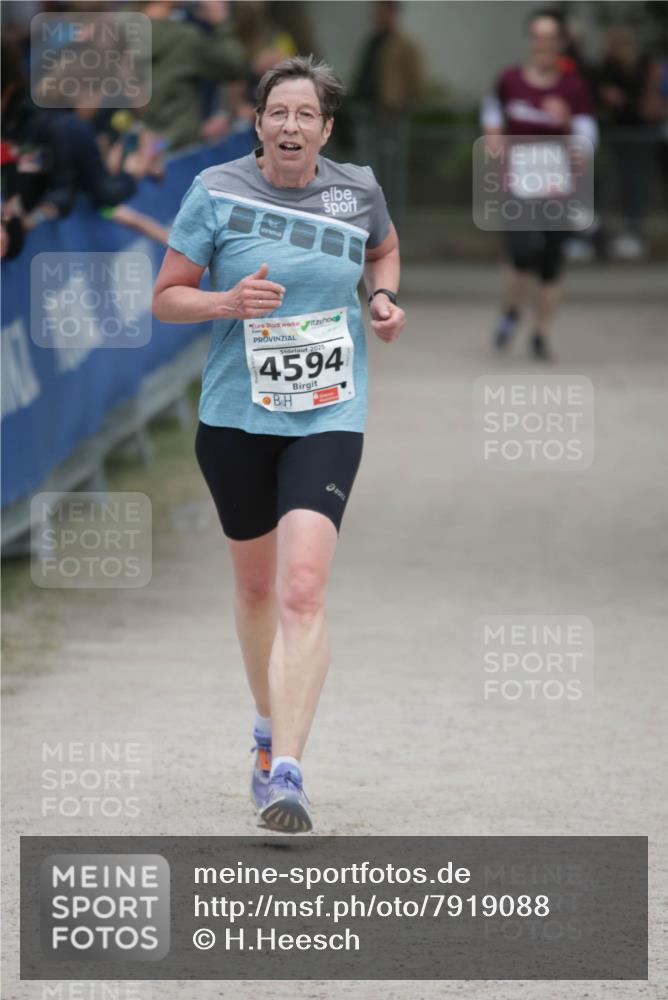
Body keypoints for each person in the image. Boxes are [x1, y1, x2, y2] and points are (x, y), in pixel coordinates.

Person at [152, 55, 405, 833]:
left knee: (302, 587)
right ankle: (266, 732)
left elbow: (381, 251)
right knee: (258, 590)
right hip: (235, 418)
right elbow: (165, 298)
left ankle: (288, 769)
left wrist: (385, 298)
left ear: (325, 129)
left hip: (328, 417)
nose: (291, 126)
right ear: (258, 123)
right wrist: (226, 300)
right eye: (278, 113)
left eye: (306, 115)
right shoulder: (215, 192)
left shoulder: (356, 189)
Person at [481, 8, 597, 361]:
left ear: (561, 43)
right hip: (519, 183)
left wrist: (568, 125)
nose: (543, 43)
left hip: (558, 186)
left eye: (550, 37)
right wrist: (493, 137)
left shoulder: (573, 88)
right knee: (520, 254)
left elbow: (589, 137)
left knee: (550, 264)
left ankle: (540, 335)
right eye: (537, 36)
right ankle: (512, 311)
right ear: (531, 40)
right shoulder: (510, 80)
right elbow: (491, 111)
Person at [351, 1, 423, 223]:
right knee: (369, 168)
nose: (379, 17)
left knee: (391, 171)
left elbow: (415, 80)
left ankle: (392, 220)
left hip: (391, 116)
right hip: (368, 115)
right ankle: (370, 216)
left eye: (384, 13)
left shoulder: (404, 45)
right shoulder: (372, 42)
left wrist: (400, 104)